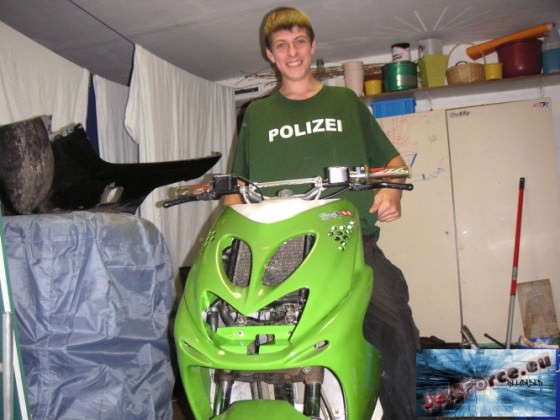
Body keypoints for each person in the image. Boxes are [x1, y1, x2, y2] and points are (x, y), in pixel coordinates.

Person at [225, 6, 420, 419]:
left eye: (299, 42)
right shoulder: (256, 115)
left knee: (396, 326)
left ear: (313, 46)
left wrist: (392, 192)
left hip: (347, 243)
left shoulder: (345, 102)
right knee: (230, 329)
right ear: (269, 54)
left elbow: (394, 164)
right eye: (282, 45)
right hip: (276, 248)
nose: (292, 52)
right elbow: (235, 190)